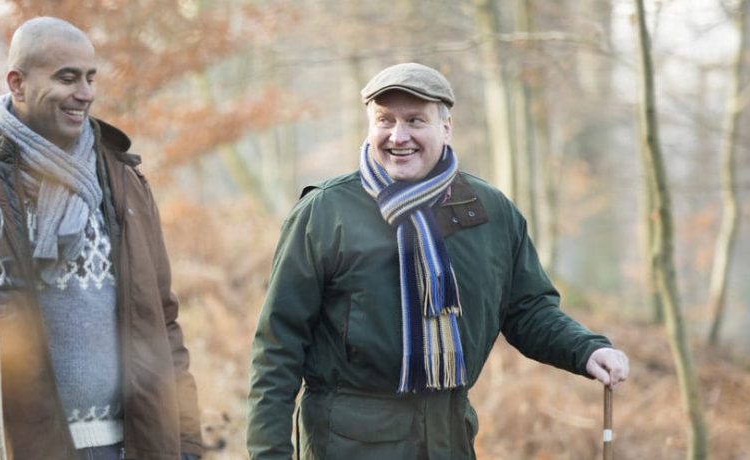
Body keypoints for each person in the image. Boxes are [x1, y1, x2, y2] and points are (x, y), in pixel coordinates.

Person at [246, 62, 630, 460]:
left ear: (446, 128)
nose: (398, 136)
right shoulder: (326, 212)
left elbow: (526, 309)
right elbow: (278, 346)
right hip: (345, 443)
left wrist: (585, 349)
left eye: (415, 120)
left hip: (449, 440)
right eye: (384, 120)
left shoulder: (490, 212)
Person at [0, 17, 202, 460]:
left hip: (130, 447)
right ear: (17, 83)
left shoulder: (126, 184)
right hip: (12, 449)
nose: (86, 93)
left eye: (90, 78)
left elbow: (163, 325)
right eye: (67, 77)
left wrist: (185, 444)